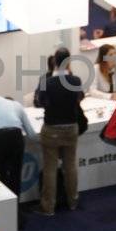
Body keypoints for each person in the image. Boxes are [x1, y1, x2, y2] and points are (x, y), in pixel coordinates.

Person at [33, 47, 84, 217]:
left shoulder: (47, 83)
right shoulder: (75, 81)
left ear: (54, 61)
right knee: (70, 166)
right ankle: (73, 201)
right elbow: (80, 98)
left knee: (50, 168)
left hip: (52, 128)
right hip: (71, 127)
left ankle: (48, 206)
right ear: (69, 62)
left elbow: (39, 102)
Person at [0, 93, 35, 214]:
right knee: (15, 175)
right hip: (16, 137)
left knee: (0, 174)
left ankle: (2, 210)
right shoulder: (17, 105)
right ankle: (15, 211)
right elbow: (32, 134)